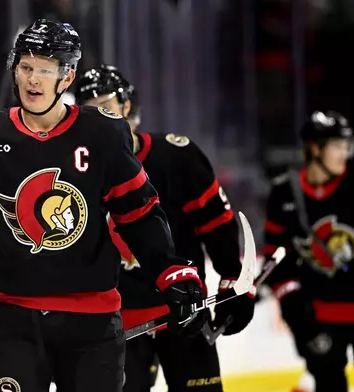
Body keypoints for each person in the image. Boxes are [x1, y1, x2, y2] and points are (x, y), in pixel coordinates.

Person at [0, 19, 207, 392]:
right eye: (26, 67)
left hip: (90, 321)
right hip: (9, 317)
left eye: (45, 70)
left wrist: (170, 270)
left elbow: (138, 213)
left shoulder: (102, 134)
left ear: (67, 76)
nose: (33, 80)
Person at [75, 64, 255, 392]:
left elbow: (217, 223)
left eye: (104, 105)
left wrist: (233, 279)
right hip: (117, 323)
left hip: (184, 311)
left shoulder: (177, 157)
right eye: (88, 111)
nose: (97, 117)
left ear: (126, 107)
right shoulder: (79, 171)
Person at [264, 110, 354, 392]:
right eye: (337, 146)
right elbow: (277, 262)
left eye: (346, 145)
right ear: (315, 149)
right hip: (321, 318)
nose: (345, 153)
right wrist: (301, 322)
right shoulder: (285, 194)